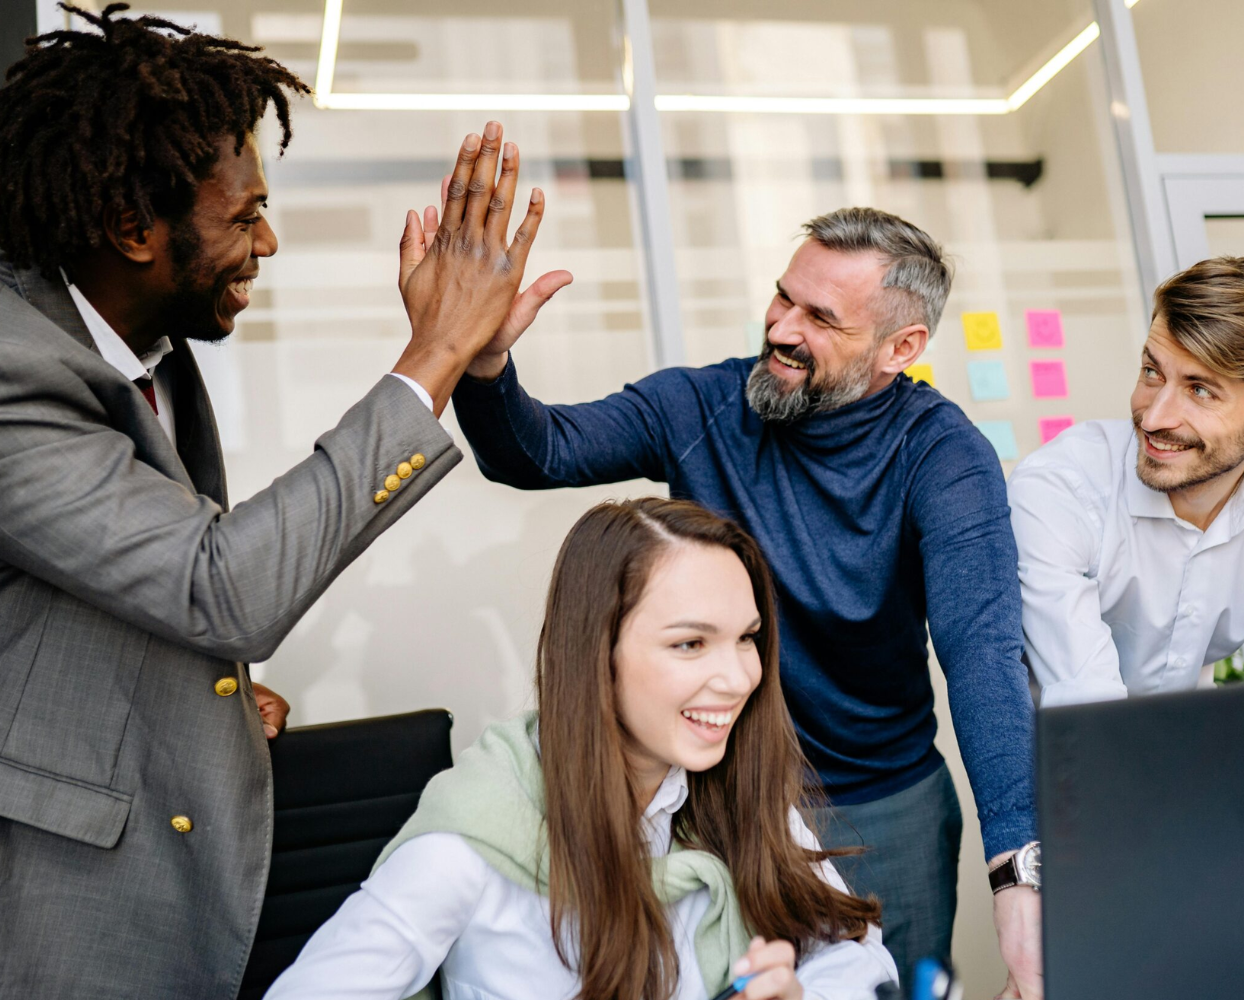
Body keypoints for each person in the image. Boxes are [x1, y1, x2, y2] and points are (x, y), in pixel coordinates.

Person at [0, 5, 566, 996]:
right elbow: (221, 586)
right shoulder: (13, 372)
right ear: (134, 229)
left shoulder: (147, 351)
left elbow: (133, 580)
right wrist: (430, 356)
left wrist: (193, 690)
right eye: (243, 214)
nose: (268, 240)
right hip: (61, 903)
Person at [449, 209, 1042, 996]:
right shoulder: (702, 409)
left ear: (900, 349)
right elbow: (538, 451)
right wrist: (483, 365)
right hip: (727, 798)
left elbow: (981, 653)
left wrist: (1019, 873)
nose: (782, 327)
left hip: (885, 803)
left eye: (821, 317)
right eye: (783, 297)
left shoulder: (942, 457)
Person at [265, 497, 898, 1000]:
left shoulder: (736, 791)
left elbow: (858, 955)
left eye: (746, 639)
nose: (739, 678)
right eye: (690, 644)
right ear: (598, 655)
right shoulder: (472, 842)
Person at [1009, 256, 1244, 706]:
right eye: (1152, 373)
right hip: (1063, 760)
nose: (1153, 417)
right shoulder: (1059, 489)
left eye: (1200, 390)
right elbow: (1091, 712)